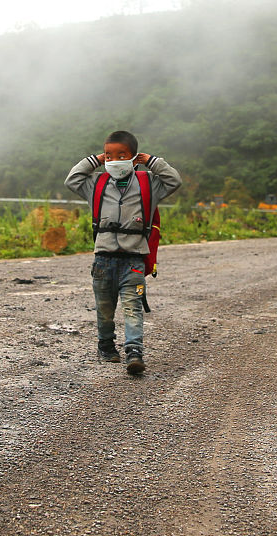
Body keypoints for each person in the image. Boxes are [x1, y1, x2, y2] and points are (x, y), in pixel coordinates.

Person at [65, 131, 181, 375]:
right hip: (103, 259)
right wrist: (95, 160)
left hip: (134, 259)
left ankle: (134, 352)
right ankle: (106, 346)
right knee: (104, 308)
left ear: (133, 157)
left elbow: (173, 180)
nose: (114, 160)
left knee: (133, 306)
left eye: (121, 155)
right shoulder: (96, 183)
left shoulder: (149, 182)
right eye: (109, 155)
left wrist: (152, 161)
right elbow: (72, 180)